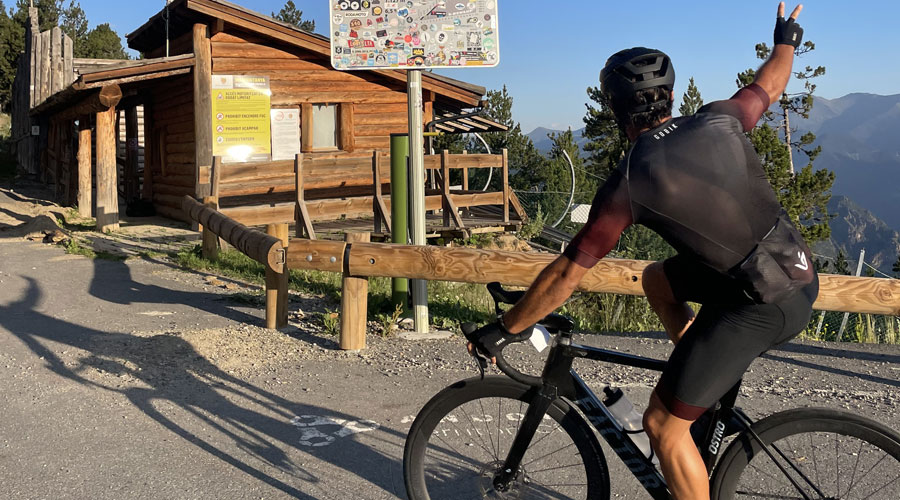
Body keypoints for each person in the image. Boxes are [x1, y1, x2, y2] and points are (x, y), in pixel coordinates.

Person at [465, 3, 818, 499]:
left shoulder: (632, 179)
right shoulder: (721, 118)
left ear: (614, 108)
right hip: (797, 275)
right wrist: (787, 36)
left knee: (662, 425)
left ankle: (688, 410)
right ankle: (699, 379)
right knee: (657, 278)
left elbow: (569, 271)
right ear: (671, 95)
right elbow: (772, 83)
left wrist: (505, 329)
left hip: (758, 304)